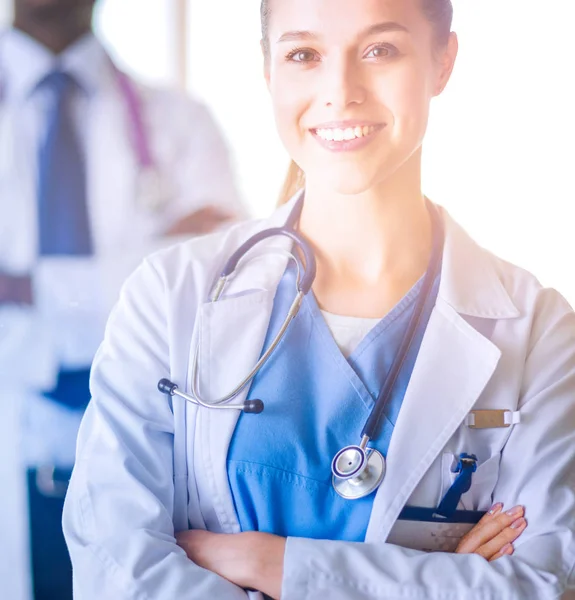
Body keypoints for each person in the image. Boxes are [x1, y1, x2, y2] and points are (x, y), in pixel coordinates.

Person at [63, 0, 575, 598]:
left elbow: (543, 583)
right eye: (304, 54)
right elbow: (115, 570)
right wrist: (437, 582)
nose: (341, 91)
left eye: (380, 49)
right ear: (268, 74)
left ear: (443, 62)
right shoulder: (168, 297)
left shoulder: (538, 334)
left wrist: (274, 565)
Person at [0, 0, 245, 598]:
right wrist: (147, 259)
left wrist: (27, 287)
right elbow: (171, 281)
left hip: (147, 468)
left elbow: (221, 280)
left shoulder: (181, 122)